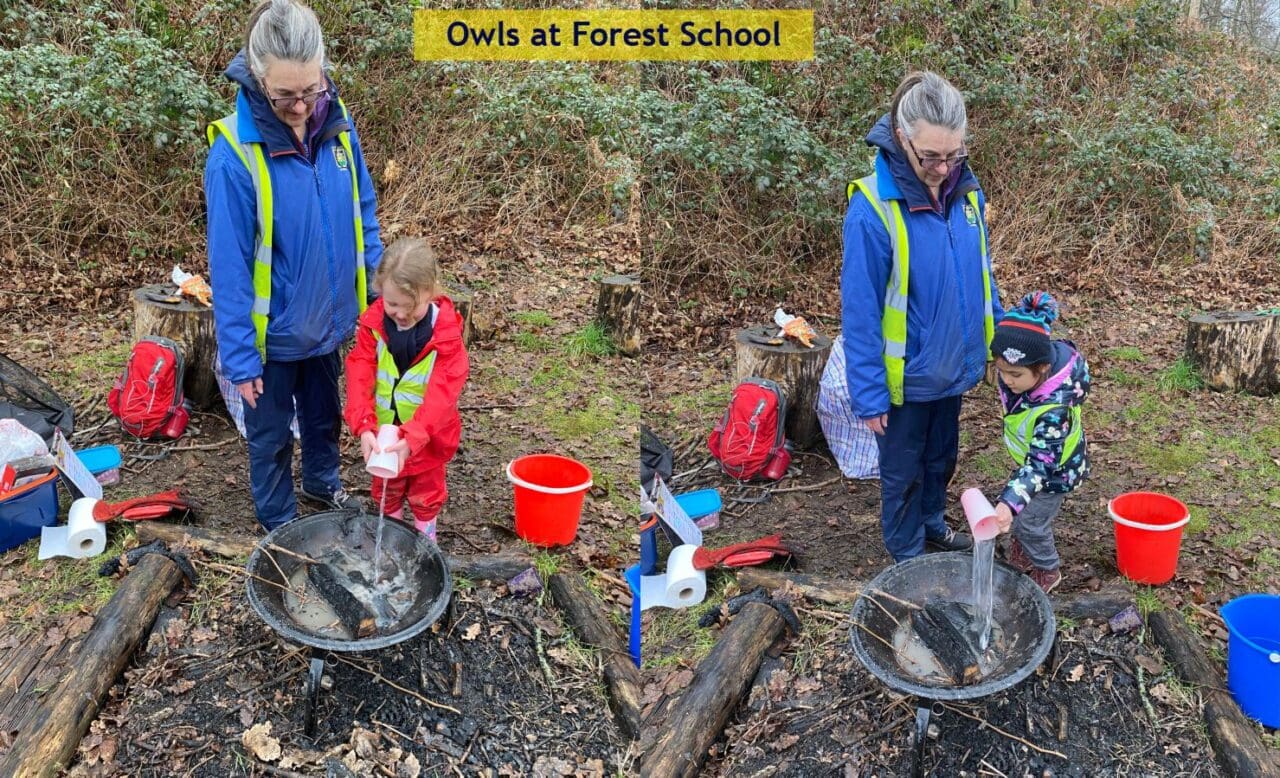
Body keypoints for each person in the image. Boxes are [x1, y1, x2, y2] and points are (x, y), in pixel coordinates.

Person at [205, 0, 383, 531]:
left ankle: (323, 484)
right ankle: (280, 525)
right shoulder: (234, 155)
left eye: (311, 90)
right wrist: (241, 359)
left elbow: (362, 211)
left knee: (324, 419)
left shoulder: (337, 123)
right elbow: (230, 268)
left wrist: (377, 295)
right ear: (259, 80)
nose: (301, 106)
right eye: (285, 95)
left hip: (328, 323)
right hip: (272, 336)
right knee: (271, 436)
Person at [840, 71, 1004, 562]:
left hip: (952, 369)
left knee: (940, 460)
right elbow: (862, 311)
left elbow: (982, 274)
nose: (942, 167)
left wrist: (999, 337)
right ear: (901, 138)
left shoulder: (967, 195)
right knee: (903, 471)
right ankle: (906, 552)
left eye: (953, 154)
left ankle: (932, 523)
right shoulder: (873, 208)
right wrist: (868, 395)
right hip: (904, 382)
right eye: (930, 156)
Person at [343, 238, 470, 543]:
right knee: (387, 490)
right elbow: (359, 372)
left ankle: (425, 544)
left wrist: (413, 437)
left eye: (409, 306)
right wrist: (363, 426)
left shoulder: (446, 336)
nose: (399, 313)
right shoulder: (373, 325)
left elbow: (442, 396)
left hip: (428, 436)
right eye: (391, 304)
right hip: (384, 436)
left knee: (426, 493)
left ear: (430, 292)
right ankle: (394, 542)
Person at [989, 292, 1090, 594]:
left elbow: (1040, 466)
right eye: (1001, 371)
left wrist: (1009, 504)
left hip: (1055, 473)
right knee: (1021, 514)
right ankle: (1023, 553)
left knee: (1030, 523)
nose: (1007, 380)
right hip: (1035, 463)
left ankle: (1048, 569)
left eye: (1015, 374)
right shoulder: (1023, 379)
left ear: (1042, 368)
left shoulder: (1053, 411)